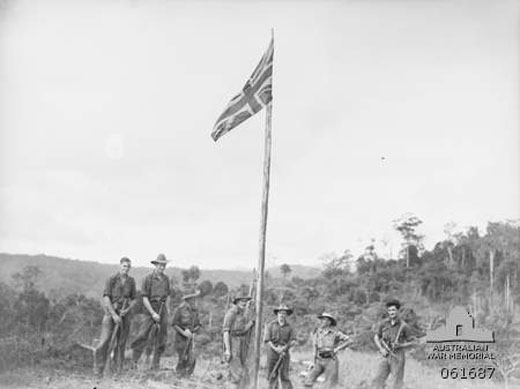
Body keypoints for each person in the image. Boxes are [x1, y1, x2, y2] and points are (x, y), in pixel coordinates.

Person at [94, 257, 137, 377]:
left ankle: (117, 371)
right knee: (105, 341)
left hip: (124, 315)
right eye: (124, 266)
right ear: (120, 266)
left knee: (121, 343)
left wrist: (127, 310)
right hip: (111, 313)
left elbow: (134, 299)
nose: (126, 268)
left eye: (128, 266)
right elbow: (106, 297)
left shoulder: (131, 281)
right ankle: (99, 370)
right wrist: (113, 314)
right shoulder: (112, 279)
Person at [130, 253, 171, 370]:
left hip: (162, 308)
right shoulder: (147, 279)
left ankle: (155, 364)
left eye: (164, 265)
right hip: (150, 308)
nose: (162, 267)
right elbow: (144, 298)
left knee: (161, 336)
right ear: (155, 265)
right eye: (160, 265)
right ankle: (134, 361)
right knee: (143, 334)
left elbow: (168, 295)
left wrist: (167, 309)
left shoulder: (166, 279)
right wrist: (153, 313)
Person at [372, 299, 415, 389]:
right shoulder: (384, 324)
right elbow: (377, 337)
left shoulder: (404, 326)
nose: (391, 312)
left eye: (393, 310)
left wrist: (401, 345)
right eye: (389, 310)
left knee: (396, 382)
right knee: (377, 379)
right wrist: (381, 349)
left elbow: (413, 342)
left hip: (397, 356)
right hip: (384, 355)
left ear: (398, 311)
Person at [304, 312, 350, 389]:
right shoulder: (317, 332)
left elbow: (349, 340)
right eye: (321, 319)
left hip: (331, 361)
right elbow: (314, 347)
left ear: (329, 322)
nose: (321, 321)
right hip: (319, 360)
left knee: (330, 385)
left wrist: (338, 348)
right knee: (308, 381)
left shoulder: (335, 333)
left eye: (324, 319)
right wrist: (312, 361)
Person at [222, 294, 255, 389]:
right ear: (236, 301)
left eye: (245, 301)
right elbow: (226, 332)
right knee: (236, 373)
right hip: (233, 343)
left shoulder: (242, 313)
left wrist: (250, 323)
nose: (244, 303)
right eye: (242, 301)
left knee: (243, 372)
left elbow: (242, 329)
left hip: (242, 343)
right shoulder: (231, 313)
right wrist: (227, 349)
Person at [264, 304, 297, 389]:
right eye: (280, 313)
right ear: (277, 314)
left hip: (284, 353)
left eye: (284, 313)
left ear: (286, 315)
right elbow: (267, 340)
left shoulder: (290, 327)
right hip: (272, 353)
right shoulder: (270, 325)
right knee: (272, 375)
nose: (282, 315)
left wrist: (285, 348)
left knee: (284, 375)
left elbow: (294, 340)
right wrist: (276, 349)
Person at [172, 289, 202, 378]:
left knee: (192, 358)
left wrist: (193, 331)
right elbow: (174, 324)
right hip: (180, 338)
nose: (194, 301)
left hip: (191, 338)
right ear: (187, 300)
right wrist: (184, 332)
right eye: (192, 299)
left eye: (195, 299)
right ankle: (179, 375)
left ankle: (188, 374)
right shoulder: (180, 310)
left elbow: (199, 325)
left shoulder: (195, 311)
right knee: (182, 357)